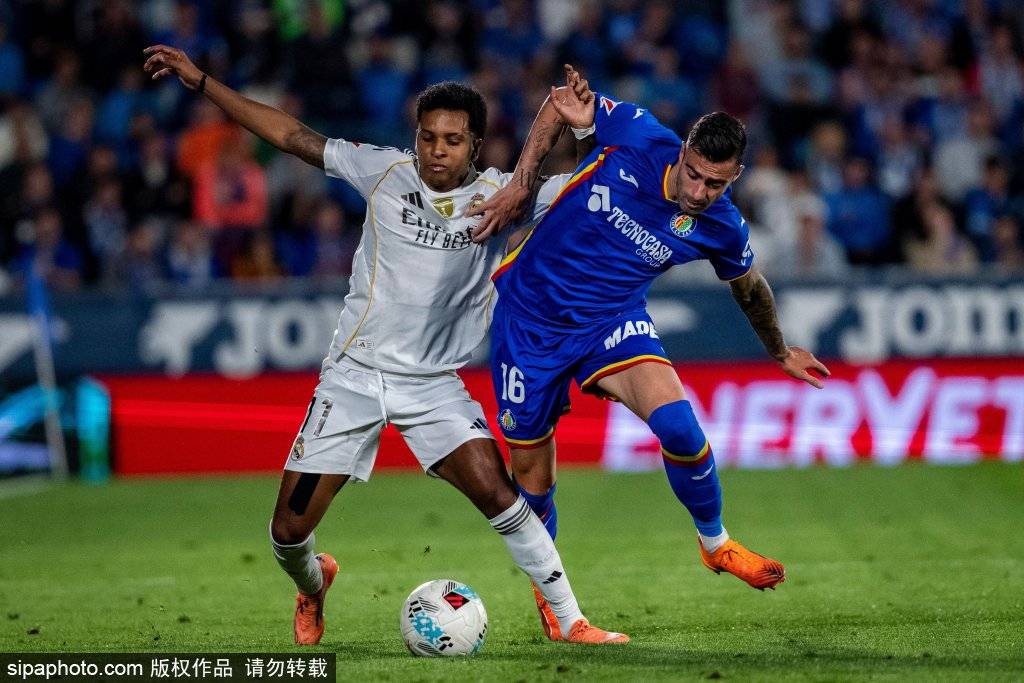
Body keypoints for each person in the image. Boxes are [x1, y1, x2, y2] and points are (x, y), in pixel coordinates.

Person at [143, 46, 626, 646]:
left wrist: (587, 127)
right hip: (353, 376)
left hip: (433, 386)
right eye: (428, 137)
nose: (437, 150)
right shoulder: (383, 171)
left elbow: (592, 185)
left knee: (500, 495)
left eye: (452, 140)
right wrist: (203, 83)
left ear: (475, 146)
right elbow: (291, 135)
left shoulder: (506, 195)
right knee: (288, 532)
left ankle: (570, 619)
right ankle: (314, 583)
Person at [469, 67, 831, 615]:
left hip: (612, 321)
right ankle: (551, 596)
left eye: (715, 184)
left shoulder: (722, 226)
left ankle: (715, 543)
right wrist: (522, 183)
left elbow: (750, 287)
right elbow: (560, 102)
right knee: (533, 479)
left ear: (734, 178)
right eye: (693, 175)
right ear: (682, 152)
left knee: (681, 429)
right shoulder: (638, 133)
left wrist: (780, 351)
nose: (698, 192)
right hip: (529, 319)